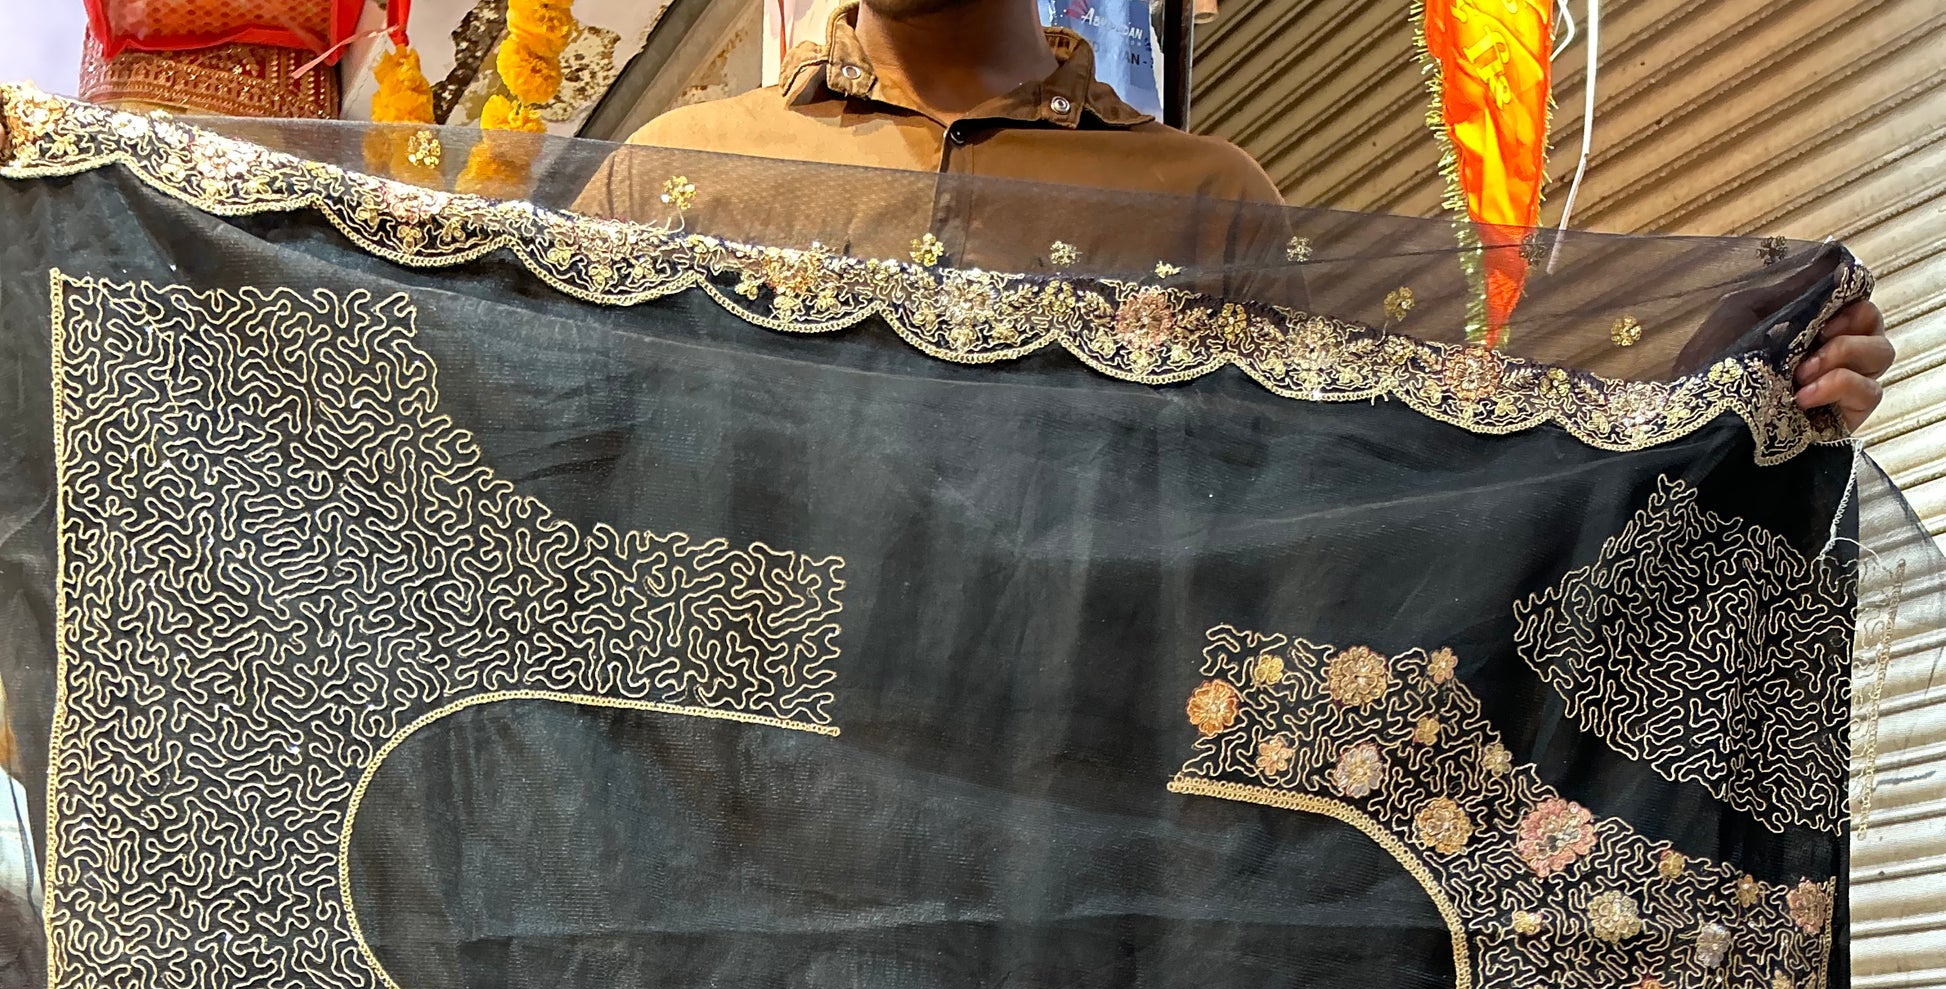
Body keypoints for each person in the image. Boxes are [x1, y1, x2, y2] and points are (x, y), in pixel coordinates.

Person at [590, 0, 1894, 426]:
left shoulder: (1203, 203)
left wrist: (1735, 396)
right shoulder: (675, 176)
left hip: (1077, 846)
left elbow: (1346, 506)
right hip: (729, 857)